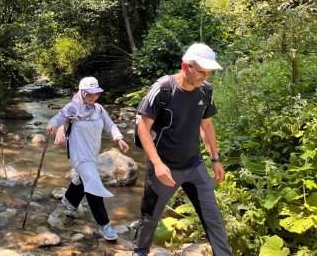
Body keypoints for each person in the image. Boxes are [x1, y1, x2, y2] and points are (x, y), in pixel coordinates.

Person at [132, 43, 232, 256]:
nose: (205, 77)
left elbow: (206, 124)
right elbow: (143, 126)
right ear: (185, 66)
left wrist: (215, 159)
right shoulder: (163, 88)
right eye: (201, 72)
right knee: (150, 218)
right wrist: (157, 164)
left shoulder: (205, 91)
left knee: (213, 218)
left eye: (209, 73)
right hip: (164, 168)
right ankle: (139, 252)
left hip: (194, 165)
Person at [46, 77, 130, 241]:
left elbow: (109, 124)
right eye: (89, 94)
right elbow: (58, 117)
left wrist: (119, 138)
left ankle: (70, 199)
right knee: (93, 184)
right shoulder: (72, 108)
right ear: (82, 92)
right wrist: (52, 124)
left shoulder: (98, 109)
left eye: (96, 93)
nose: (93, 97)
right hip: (78, 154)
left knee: (84, 177)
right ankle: (104, 224)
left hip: (92, 154)